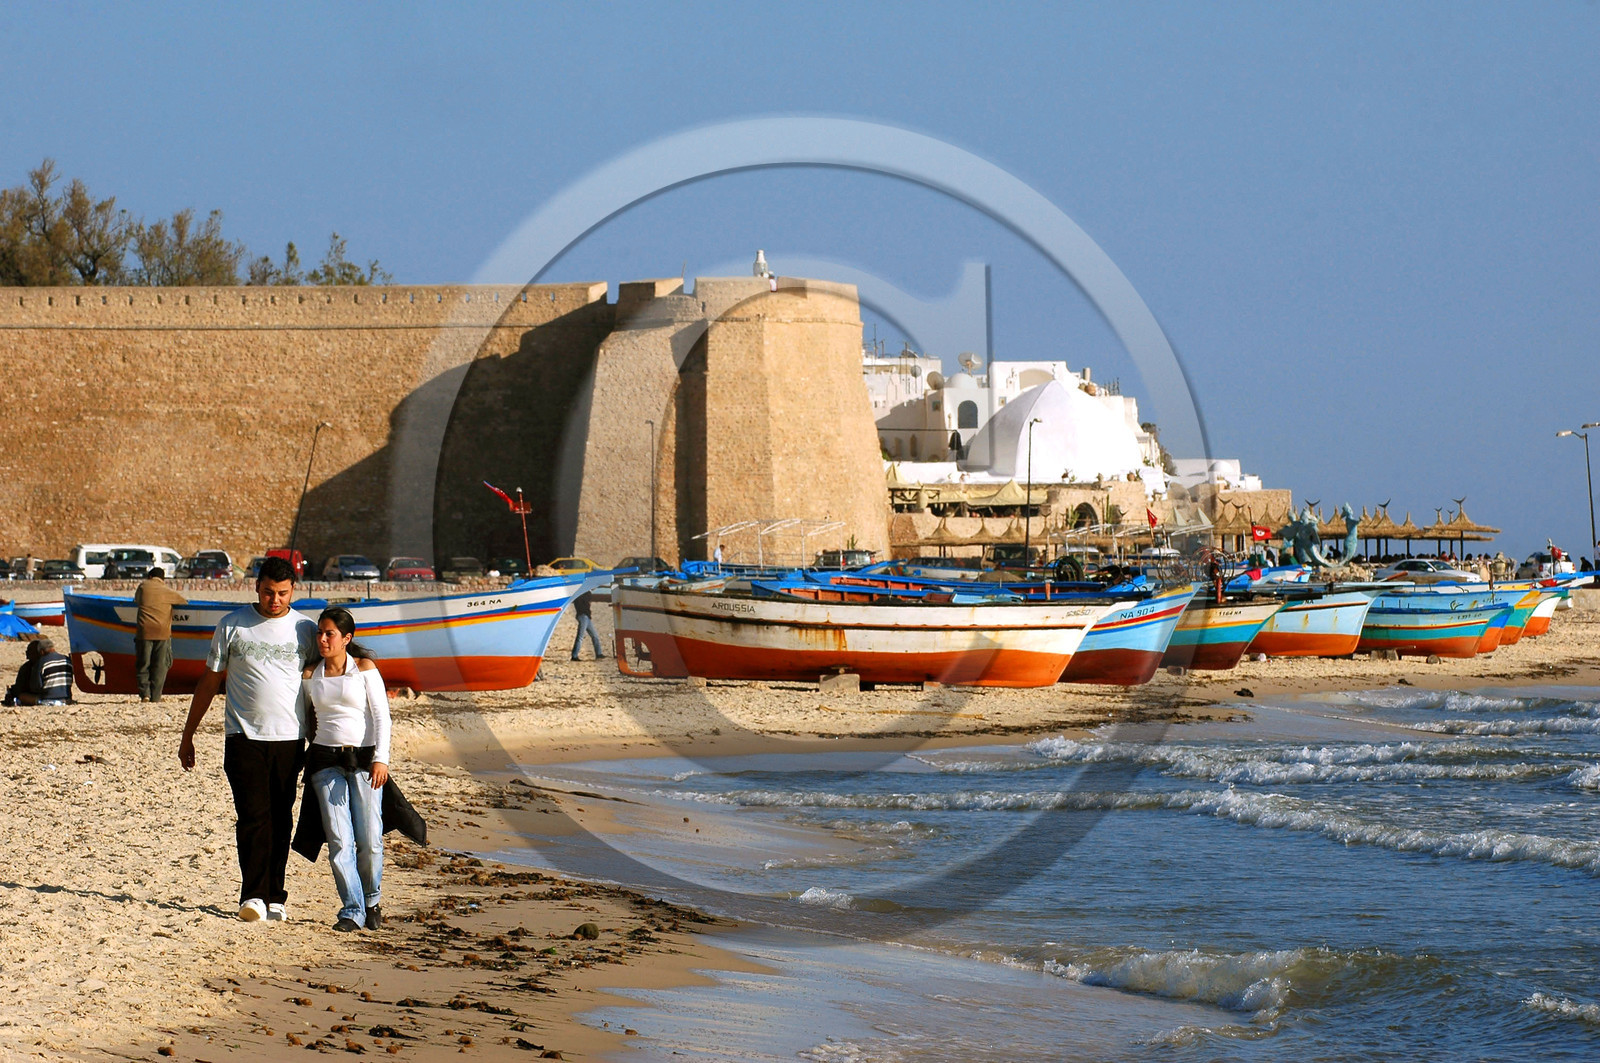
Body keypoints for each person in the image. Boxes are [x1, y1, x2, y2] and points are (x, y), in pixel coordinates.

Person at [177, 556, 317, 923]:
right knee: (252, 816)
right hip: (242, 736)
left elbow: (325, 682)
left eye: (283, 593)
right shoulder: (232, 625)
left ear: (293, 592)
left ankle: (275, 896)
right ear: (256, 587)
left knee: (281, 818)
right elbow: (210, 681)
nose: (275, 600)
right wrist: (188, 734)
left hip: (290, 739)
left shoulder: (305, 629)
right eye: (269, 592)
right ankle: (252, 895)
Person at [302, 607, 390, 932]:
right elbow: (304, 720)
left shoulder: (364, 669)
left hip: (365, 762)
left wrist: (382, 758)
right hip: (325, 762)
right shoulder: (312, 675)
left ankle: (372, 900)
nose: (323, 640)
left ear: (346, 639)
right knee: (340, 841)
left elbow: (381, 716)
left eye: (330, 634)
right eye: (320, 633)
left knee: (369, 839)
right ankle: (352, 910)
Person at [134, 567, 187, 702]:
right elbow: (183, 601)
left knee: (143, 664)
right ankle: (156, 697)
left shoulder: (142, 586)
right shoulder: (167, 591)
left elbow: (137, 600)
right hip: (162, 633)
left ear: (150, 576)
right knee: (160, 666)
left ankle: (145, 694)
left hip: (144, 631)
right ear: (162, 579)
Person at [4, 639, 72, 706]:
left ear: (41, 652)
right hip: (67, 698)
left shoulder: (41, 663)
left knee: (22, 696)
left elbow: (36, 687)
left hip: (48, 699)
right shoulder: (67, 660)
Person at [570, 591, 603, 660]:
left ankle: (599, 653)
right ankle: (574, 655)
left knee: (594, 636)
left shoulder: (579, 594)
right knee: (581, 637)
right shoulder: (584, 594)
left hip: (585, 616)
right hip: (584, 616)